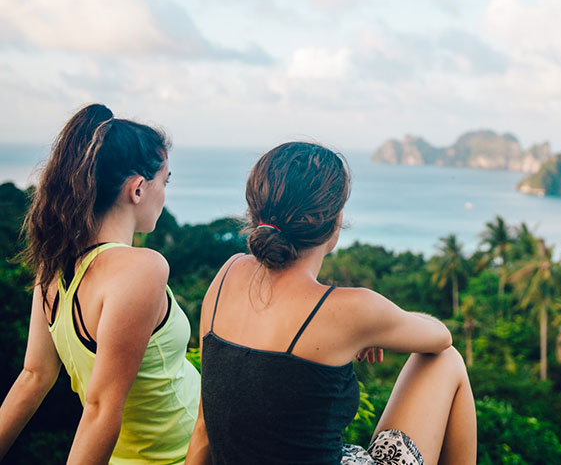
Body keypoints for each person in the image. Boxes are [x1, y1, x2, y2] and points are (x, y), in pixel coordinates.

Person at [186, 142, 477, 465]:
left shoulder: (226, 276)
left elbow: (204, 426)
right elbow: (440, 338)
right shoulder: (349, 310)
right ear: (336, 219)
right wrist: (370, 328)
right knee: (446, 360)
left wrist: (354, 331)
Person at [0, 104, 200, 464]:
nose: (164, 193)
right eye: (164, 181)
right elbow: (100, 408)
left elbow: (34, 376)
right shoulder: (141, 269)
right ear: (137, 189)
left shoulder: (55, 266)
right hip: (181, 455)